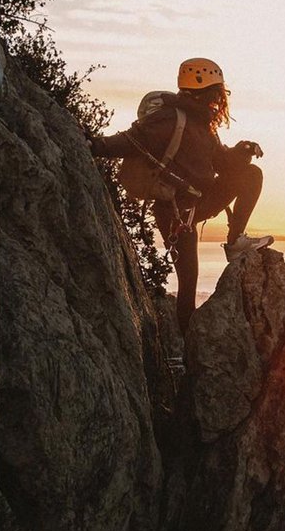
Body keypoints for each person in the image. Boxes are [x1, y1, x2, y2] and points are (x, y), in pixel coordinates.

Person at [89, 59, 273, 335]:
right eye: (218, 92)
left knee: (250, 175)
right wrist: (95, 145)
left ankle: (236, 242)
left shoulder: (203, 125)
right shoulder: (170, 118)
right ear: (207, 90)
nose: (220, 99)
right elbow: (131, 140)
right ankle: (187, 349)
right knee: (188, 283)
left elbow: (223, 164)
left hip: (198, 202)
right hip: (173, 212)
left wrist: (243, 150)